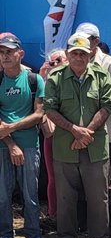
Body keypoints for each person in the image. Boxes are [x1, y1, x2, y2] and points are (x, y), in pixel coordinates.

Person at [44, 33, 111, 238]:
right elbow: (50, 108)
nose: (78, 57)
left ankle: (99, 237)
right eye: (74, 53)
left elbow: (108, 105)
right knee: (65, 195)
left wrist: (87, 132)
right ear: (67, 54)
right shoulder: (56, 77)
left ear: (90, 54)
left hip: (95, 146)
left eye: (83, 54)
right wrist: (74, 130)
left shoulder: (101, 75)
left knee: (98, 195)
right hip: (66, 147)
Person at [0, 33, 47, 238]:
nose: (5, 56)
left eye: (9, 51)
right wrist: (11, 143)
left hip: (29, 145)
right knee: (3, 193)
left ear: (21, 53)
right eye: (1, 52)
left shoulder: (34, 80)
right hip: (4, 145)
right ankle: (5, 235)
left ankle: (33, 234)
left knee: (30, 193)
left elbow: (39, 115)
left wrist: (12, 127)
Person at [76, 23, 111, 237]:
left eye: (88, 40)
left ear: (96, 41)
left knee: (106, 182)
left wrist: (92, 122)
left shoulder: (109, 63)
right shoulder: (74, 62)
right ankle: (83, 225)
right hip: (76, 132)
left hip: (105, 132)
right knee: (80, 177)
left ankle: (105, 227)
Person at [38, 49, 67, 226]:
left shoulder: (73, 81)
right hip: (52, 136)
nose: (55, 64)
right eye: (52, 62)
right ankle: (54, 214)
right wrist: (42, 78)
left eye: (59, 60)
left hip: (70, 135)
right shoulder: (44, 83)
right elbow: (39, 107)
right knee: (53, 177)